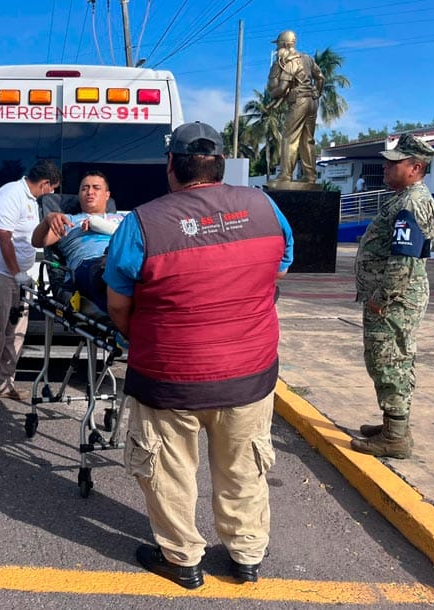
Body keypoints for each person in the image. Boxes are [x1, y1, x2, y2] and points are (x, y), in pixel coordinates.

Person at [104, 121, 293, 589]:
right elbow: (279, 269)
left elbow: (117, 304)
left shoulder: (142, 223)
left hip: (170, 377)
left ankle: (182, 559)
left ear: (172, 166)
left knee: (169, 471)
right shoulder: (265, 206)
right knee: (243, 466)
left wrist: (143, 339)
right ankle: (246, 555)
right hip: (249, 373)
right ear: (221, 165)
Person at [351, 134, 434, 459]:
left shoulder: (410, 203)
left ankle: (396, 437)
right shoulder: (405, 198)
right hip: (393, 298)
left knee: (389, 362)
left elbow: (404, 259)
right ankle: (393, 424)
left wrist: (382, 297)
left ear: (415, 167)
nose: (386, 167)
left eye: (394, 163)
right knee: (391, 360)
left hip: (393, 302)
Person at [0, 159, 62, 412]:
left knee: (14, 333)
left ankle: (4, 384)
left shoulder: (30, 200)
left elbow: (30, 239)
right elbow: (3, 237)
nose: (51, 193)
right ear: (44, 183)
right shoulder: (11, 194)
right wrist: (17, 272)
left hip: (14, 276)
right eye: (51, 188)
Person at [31, 170, 123, 311]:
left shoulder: (122, 220)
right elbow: (37, 242)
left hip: (122, 261)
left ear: (107, 195)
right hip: (91, 267)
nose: (90, 192)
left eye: (96, 188)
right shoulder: (68, 221)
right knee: (106, 267)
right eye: (84, 188)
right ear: (79, 195)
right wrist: (47, 220)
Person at [265, 30, 324, 184]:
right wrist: (318, 92)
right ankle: (310, 176)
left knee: (289, 138)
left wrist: (272, 94)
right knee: (308, 140)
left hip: (299, 101)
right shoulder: (307, 58)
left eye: (278, 45)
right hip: (312, 101)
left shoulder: (290, 61)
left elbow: (282, 88)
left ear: (284, 44)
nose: (277, 49)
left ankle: (285, 175)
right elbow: (320, 77)